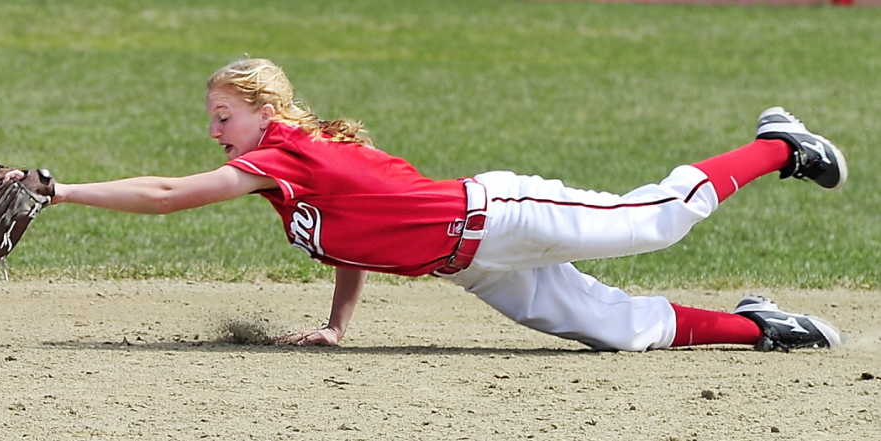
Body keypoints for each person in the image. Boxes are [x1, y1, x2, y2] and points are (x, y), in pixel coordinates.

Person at [45, 58, 848, 352]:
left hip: (499, 215)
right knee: (612, 328)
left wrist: (61, 190)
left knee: (656, 218)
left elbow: (167, 194)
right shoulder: (288, 170)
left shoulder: (284, 153)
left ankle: (780, 144)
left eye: (223, 115)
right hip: (472, 266)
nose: (213, 130)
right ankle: (763, 325)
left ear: (264, 110)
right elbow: (354, 239)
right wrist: (337, 324)